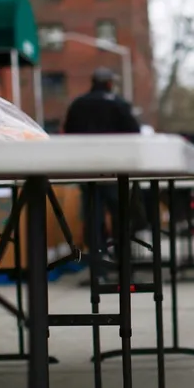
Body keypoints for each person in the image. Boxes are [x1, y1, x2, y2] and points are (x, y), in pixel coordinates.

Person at [63, 68, 143, 261]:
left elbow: (68, 132)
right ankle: (122, 257)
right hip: (114, 167)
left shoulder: (78, 104)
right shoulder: (119, 103)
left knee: (93, 213)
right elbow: (134, 132)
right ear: (109, 83)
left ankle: (97, 260)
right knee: (119, 212)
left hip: (87, 167)